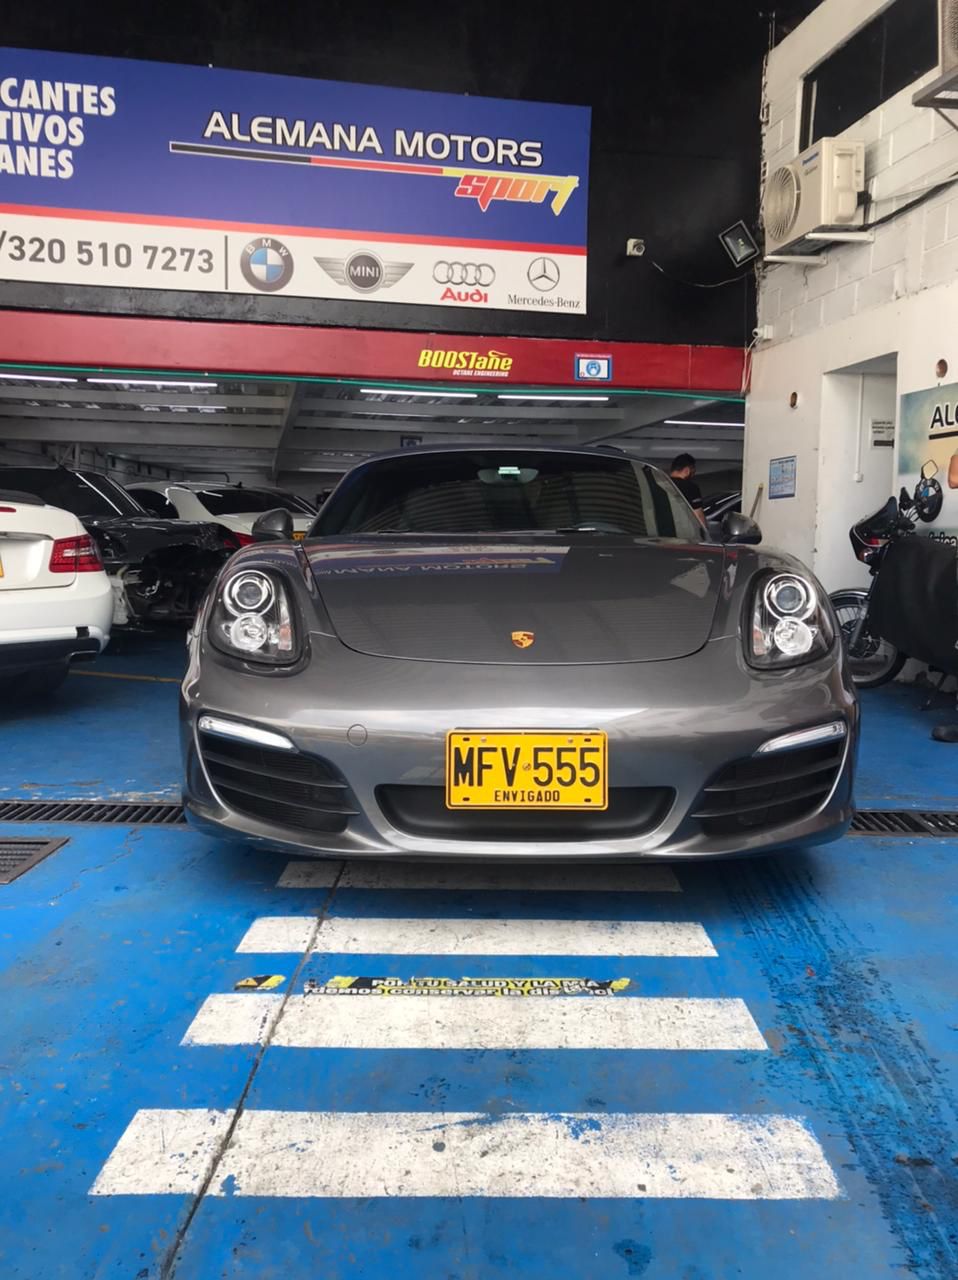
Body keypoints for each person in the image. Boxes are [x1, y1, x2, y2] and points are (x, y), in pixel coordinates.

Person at [669, 453, 706, 527]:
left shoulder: (660, 483)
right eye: (693, 472)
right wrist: (704, 532)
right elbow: (698, 517)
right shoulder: (691, 487)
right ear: (687, 470)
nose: (693, 475)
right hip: (683, 531)